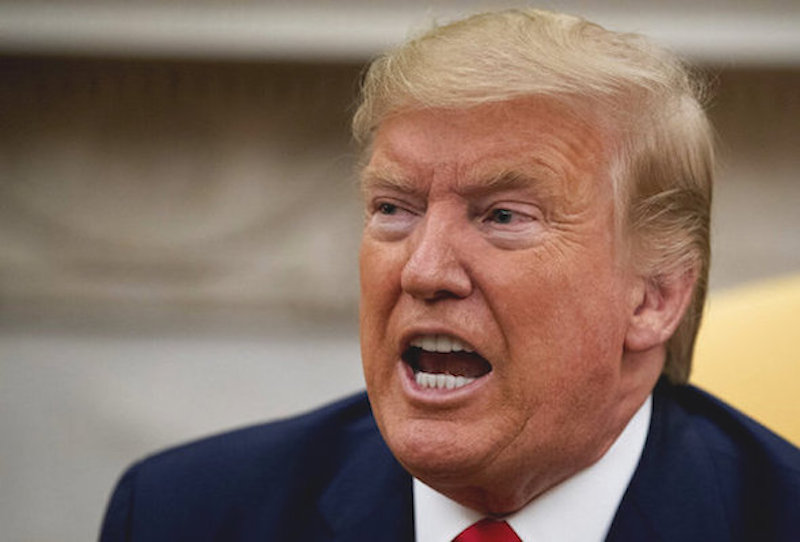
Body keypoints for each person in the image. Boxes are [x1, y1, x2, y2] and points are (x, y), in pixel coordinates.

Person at [100, 8, 800, 541]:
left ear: (655, 297)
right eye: (393, 209)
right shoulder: (182, 513)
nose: (425, 270)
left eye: (502, 216)